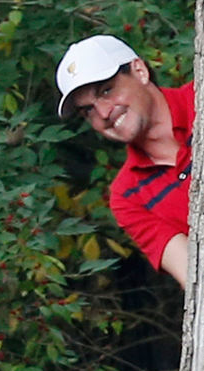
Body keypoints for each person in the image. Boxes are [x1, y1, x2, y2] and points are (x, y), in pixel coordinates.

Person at [56, 35, 192, 287]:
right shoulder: (127, 197)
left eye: (107, 90)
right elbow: (197, 276)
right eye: (88, 110)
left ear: (139, 71)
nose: (104, 113)